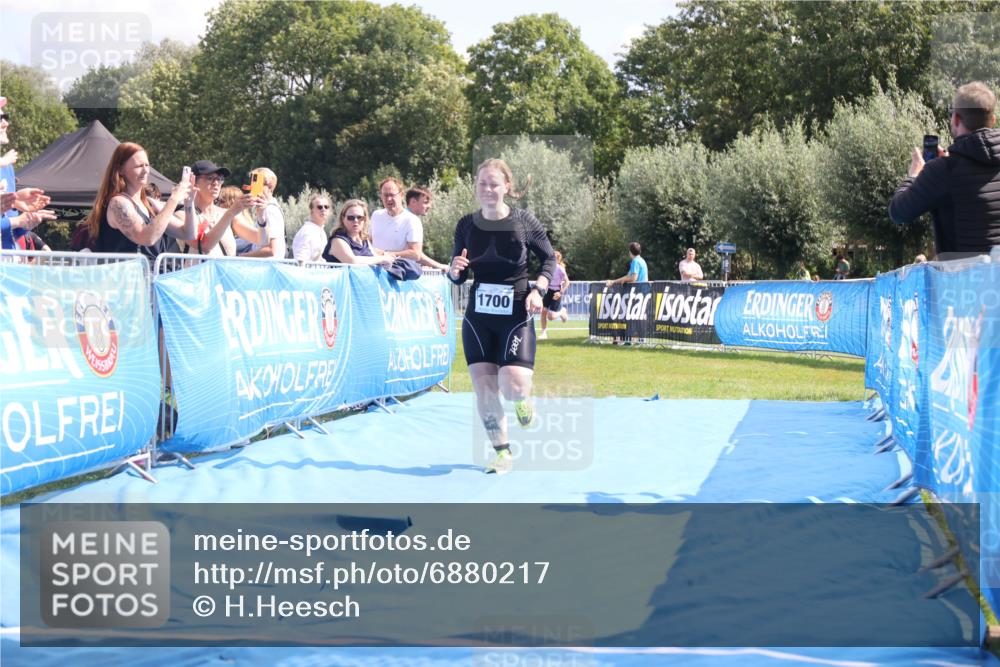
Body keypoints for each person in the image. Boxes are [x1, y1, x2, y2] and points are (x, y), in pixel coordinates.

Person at [448, 158, 556, 475]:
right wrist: (454, 272)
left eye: (494, 184)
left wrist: (540, 290)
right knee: (484, 387)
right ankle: (502, 453)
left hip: (517, 313)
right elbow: (458, 270)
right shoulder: (466, 225)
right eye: (482, 183)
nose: (488, 189)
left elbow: (549, 258)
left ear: (507, 187)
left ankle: (523, 402)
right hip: (478, 318)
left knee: (514, 384)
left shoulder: (524, 222)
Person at [889, 81, 1000, 255]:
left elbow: (899, 212)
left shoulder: (942, 171)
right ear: (992, 120)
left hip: (963, 279)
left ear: (956, 119)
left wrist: (914, 175)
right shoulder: (947, 170)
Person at [85, 142, 194, 259]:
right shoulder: (118, 203)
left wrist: (189, 202)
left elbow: (188, 233)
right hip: (126, 275)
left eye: (147, 165)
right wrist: (173, 199)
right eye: (139, 166)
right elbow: (147, 238)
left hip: (154, 275)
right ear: (120, 169)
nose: (145, 170)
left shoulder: (150, 203)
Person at [0, 96, 57, 249]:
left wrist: (27, 222)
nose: (5, 122)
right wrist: (16, 221)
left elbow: (8, 234)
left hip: (9, 266)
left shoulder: (7, 168)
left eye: (4, 117)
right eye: (0, 118)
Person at [177, 160, 263, 256]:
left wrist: (262, 215)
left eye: (220, 179)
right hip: (198, 271)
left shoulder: (227, 214)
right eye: (210, 178)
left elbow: (261, 239)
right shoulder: (183, 214)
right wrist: (231, 213)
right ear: (194, 182)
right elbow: (204, 246)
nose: (216, 183)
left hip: (225, 271)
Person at [372, 177, 448, 270]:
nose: (388, 199)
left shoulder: (412, 220)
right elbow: (367, 241)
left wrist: (386, 254)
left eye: (392, 195)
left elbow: (416, 253)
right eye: (385, 195)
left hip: (397, 275)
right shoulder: (376, 215)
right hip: (374, 272)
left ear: (401, 195)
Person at [322, 199, 395, 265]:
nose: (356, 221)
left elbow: (374, 257)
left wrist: (387, 257)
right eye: (351, 218)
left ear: (365, 219)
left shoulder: (364, 239)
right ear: (343, 219)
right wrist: (382, 259)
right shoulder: (337, 240)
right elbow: (352, 261)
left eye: (360, 217)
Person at [239, 167, 286, 258]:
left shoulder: (270, 210)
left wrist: (241, 257)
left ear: (270, 187)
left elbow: (271, 250)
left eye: (258, 183)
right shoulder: (266, 208)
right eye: (253, 182)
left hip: (267, 267)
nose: (253, 187)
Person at [538, 250, 570, 340]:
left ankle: (562, 311)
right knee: (543, 311)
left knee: (551, 317)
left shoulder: (560, 269)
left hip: (557, 292)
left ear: (558, 259)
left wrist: (560, 292)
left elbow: (567, 282)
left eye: (555, 257)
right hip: (549, 290)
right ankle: (544, 333)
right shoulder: (548, 267)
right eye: (552, 256)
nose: (552, 258)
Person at [292, 194, 332, 262]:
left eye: (326, 207)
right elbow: (300, 260)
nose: (323, 209)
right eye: (319, 207)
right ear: (311, 211)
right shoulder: (306, 231)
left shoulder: (321, 232)